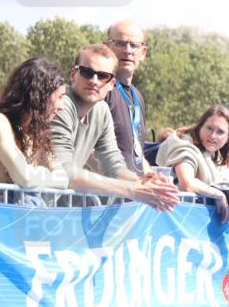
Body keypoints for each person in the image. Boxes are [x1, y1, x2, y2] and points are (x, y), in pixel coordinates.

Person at [50, 44, 178, 211]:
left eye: (102, 76)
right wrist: (133, 190)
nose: (94, 81)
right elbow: (64, 172)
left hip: (46, 208)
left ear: (112, 84)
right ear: (73, 75)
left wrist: (143, 182)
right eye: (87, 72)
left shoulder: (102, 110)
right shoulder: (60, 105)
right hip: (24, 206)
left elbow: (113, 166)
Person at [0, 58, 70, 198]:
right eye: (59, 97)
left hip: (15, 211)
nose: (62, 107)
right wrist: (44, 173)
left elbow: (64, 179)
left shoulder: (36, 131)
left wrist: (34, 173)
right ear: (39, 95)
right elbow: (24, 178)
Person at [154, 105, 229, 222]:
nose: (213, 136)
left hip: (197, 221)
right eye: (209, 128)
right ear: (200, 127)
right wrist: (219, 195)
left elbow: (226, 180)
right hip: (176, 219)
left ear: (228, 137)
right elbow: (187, 183)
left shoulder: (214, 153)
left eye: (220, 132)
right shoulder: (185, 146)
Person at [103, 20, 149, 174]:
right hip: (108, 187)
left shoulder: (138, 96)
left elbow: (135, 153)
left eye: (134, 45)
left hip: (133, 186)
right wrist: (125, 180)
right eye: (121, 43)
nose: (128, 51)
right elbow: (88, 149)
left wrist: (152, 176)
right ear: (107, 47)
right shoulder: (100, 89)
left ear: (143, 53)